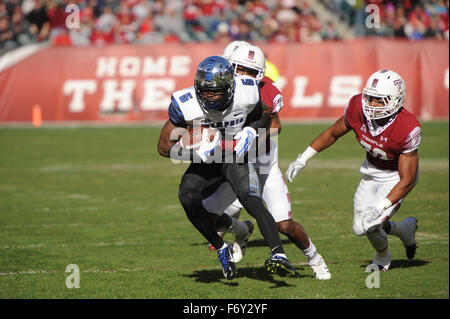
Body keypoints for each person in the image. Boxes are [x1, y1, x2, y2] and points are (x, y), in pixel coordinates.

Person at [157, 55, 297, 280]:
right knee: (187, 197)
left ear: (230, 88)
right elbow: (164, 147)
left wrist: (251, 130)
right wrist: (193, 152)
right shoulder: (186, 103)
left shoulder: (248, 92)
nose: (208, 96)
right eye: (204, 90)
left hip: (234, 157)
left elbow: (262, 116)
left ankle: (279, 254)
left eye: (215, 91)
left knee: (253, 201)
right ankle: (221, 247)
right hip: (208, 160)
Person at [203, 43, 331, 280]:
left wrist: (251, 135)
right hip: (234, 165)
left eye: (252, 72)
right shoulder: (220, 89)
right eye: (241, 69)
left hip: (263, 166)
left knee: (284, 225)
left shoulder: (267, 91)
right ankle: (243, 230)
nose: (246, 76)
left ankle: (314, 257)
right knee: (206, 214)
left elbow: (275, 125)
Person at [286, 70, 421, 271]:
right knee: (360, 227)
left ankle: (383, 256)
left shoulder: (407, 128)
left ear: (396, 100)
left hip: (396, 178)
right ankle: (404, 230)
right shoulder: (358, 107)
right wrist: (303, 158)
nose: (371, 105)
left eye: (379, 101)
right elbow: (333, 133)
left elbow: (407, 179)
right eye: (370, 98)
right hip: (371, 172)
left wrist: (382, 204)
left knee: (370, 224)